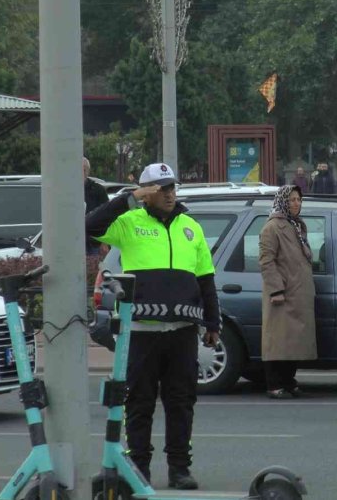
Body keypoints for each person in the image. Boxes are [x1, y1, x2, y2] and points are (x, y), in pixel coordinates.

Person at [86, 162, 222, 490]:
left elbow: (205, 279)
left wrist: (212, 321)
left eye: (172, 187)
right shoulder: (128, 222)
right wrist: (129, 198)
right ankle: (139, 468)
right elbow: (90, 225)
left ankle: (179, 468)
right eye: (162, 189)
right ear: (147, 193)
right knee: (139, 402)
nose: (170, 194)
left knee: (181, 401)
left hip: (182, 331)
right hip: (142, 332)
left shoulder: (191, 226)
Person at [259, 185, 318, 399]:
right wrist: (276, 290)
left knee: (293, 342)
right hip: (281, 295)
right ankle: (274, 384)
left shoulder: (297, 225)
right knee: (277, 342)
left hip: (298, 292)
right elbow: (266, 261)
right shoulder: (272, 227)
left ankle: (288, 381)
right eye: (292, 200)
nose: (296, 203)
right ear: (283, 201)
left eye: (299, 200)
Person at [83, 157, 110, 255]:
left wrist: (105, 241)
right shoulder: (68, 190)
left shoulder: (98, 190)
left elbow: (107, 216)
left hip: (94, 242)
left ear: (85, 171)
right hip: (73, 240)